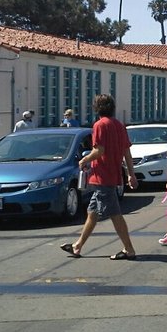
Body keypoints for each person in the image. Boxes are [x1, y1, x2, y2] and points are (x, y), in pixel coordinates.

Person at [60, 94, 138, 260]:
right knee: (93, 212)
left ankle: (129, 249)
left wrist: (84, 159)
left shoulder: (100, 125)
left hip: (103, 177)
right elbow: (127, 152)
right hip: (112, 175)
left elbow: (99, 151)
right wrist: (131, 174)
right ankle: (77, 246)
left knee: (115, 214)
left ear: (96, 108)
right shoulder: (119, 125)